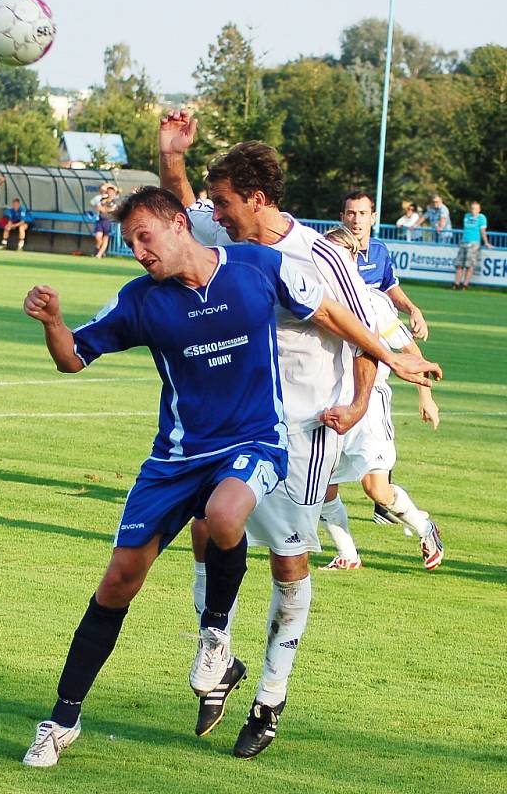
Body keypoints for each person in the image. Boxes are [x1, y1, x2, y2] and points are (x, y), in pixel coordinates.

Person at [21, 186, 441, 768]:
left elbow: (332, 315)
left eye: (144, 236)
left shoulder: (256, 268)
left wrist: (395, 359)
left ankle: (215, 637)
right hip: (176, 456)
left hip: (253, 440)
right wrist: (53, 320)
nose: (138, 251)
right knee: (118, 580)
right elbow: (71, 358)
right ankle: (61, 720)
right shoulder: (140, 301)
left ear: (177, 225)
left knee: (223, 515)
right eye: (129, 243)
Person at [159, 113, 442, 757]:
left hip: (307, 430)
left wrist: (358, 399)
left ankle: (270, 697)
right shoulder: (224, 230)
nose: (217, 213)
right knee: (207, 523)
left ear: (257, 198)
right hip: (238, 423)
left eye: (226, 202)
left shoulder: (321, 257)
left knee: (288, 561)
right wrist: (170, 156)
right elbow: (180, 214)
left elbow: (367, 334)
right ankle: (218, 651)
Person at [318, 226, 443, 573]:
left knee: (377, 490)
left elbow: (409, 350)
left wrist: (425, 397)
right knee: (323, 485)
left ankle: (424, 526)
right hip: (332, 402)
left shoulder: (373, 302)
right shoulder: (315, 301)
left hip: (370, 401)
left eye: (335, 258)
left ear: (351, 261)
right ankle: (348, 554)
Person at [340, 190, 429, 341]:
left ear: (373, 218)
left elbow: (389, 287)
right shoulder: (332, 252)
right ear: (342, 217)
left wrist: (413, 310)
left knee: (417, 360)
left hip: (382, 322)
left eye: (363, 213)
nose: (357, 220)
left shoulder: (379, 249)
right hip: (348, 331)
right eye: (351, 213)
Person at [453, 201, 492, 290]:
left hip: (474, 243)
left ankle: (465, 285)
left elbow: (482, 231)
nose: (473, 211)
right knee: (459, 264)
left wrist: (486, 242)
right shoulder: (467, 216)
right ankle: (456, 284)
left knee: (469, 265)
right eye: (472, 208)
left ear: (479, 210)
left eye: (475, 209)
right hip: (464, 242)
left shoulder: (481, 218)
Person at [90, 183, 119, 258]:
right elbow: (98, 208)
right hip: (100, 220)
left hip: (108, 221)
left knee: (105, 238)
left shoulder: (114, 201)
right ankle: (98, 248)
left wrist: (105, 210)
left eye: (111, 192)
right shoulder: (103, 199)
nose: (110, 193)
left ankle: (99, 254)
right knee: (98, 237)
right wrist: (105, 209)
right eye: (108, 191)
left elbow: (112, 210)